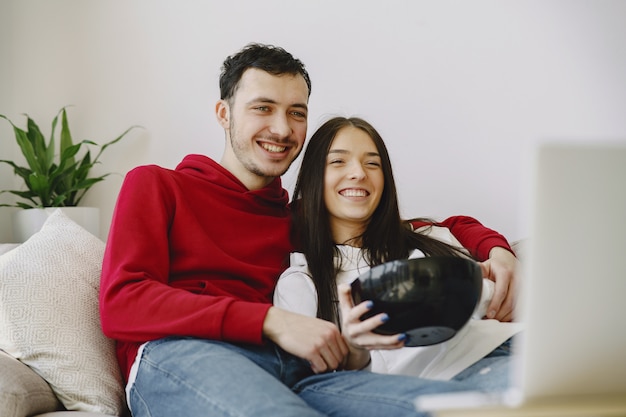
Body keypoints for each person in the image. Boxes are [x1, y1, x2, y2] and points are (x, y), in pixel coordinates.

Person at [99, 43, 519, 417]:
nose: (282, 129)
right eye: (262, 107)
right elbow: (123, 300)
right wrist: (271, 320)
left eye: (295, 113)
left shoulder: (300, 219)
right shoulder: (159, 184)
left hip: (302, 368)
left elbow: (426, 227)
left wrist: (497, 249)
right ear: (224, 113)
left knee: (447, 409)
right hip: (183, 352)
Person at [274, 116, 523, 381]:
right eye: (338, 161)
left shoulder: (429, 237)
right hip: (470, 374)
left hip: (524, 341)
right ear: (314, 177)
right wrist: (353, 349)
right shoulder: (302, 282)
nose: (359, 173)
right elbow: (313, 383)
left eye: (372, 163)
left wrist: (501, 256)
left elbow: (461, 229)